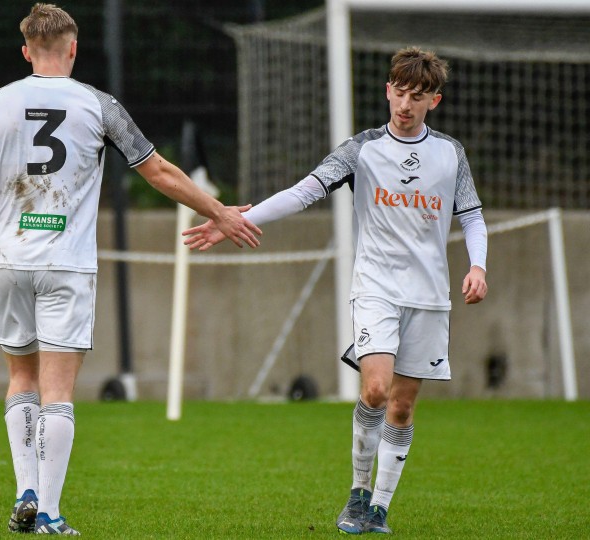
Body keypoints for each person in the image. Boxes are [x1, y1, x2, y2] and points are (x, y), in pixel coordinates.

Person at [0, 3, 261, 534]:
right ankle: (51, 514)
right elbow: (157, 170)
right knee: (58, 390)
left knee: (20, 376)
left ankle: (26, 491)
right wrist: (217, 210)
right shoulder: (98, 105)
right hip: (67, 263)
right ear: (74, 49)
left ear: (26, 52)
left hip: (10, 258)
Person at [184, 47, 488, 535]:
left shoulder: (450, 154)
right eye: (400, 93)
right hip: (376, 288)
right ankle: (357, 494)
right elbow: (304, 191)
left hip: (429, 297)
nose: (406, 104)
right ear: (388, 90)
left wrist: (478, 267)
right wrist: (234, 218)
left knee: (403, 406)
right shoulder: (361, 149)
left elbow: (471, 215)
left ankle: (380, 509)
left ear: (435, 100)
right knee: (374, 389)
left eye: (418, 96)